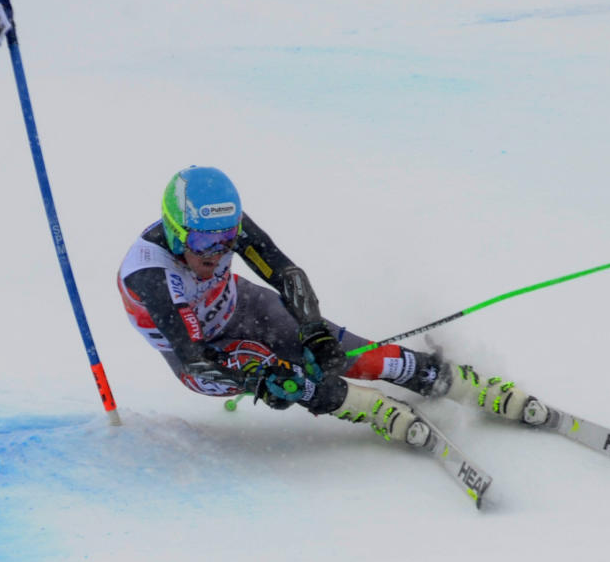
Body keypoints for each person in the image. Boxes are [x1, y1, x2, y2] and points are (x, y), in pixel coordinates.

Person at [118, 166, 549, 446]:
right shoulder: (150, 275)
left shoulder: (220, 227)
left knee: (344, 351)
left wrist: (313, 330)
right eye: (202, 243)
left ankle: (447, 379)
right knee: (293, 378)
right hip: (199, 358)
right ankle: (368, 407)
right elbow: (195, 357)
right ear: (176, 232)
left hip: (243, 307)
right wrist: (259, 377)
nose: (215, 253)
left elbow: (285, 274)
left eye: (227, 240)